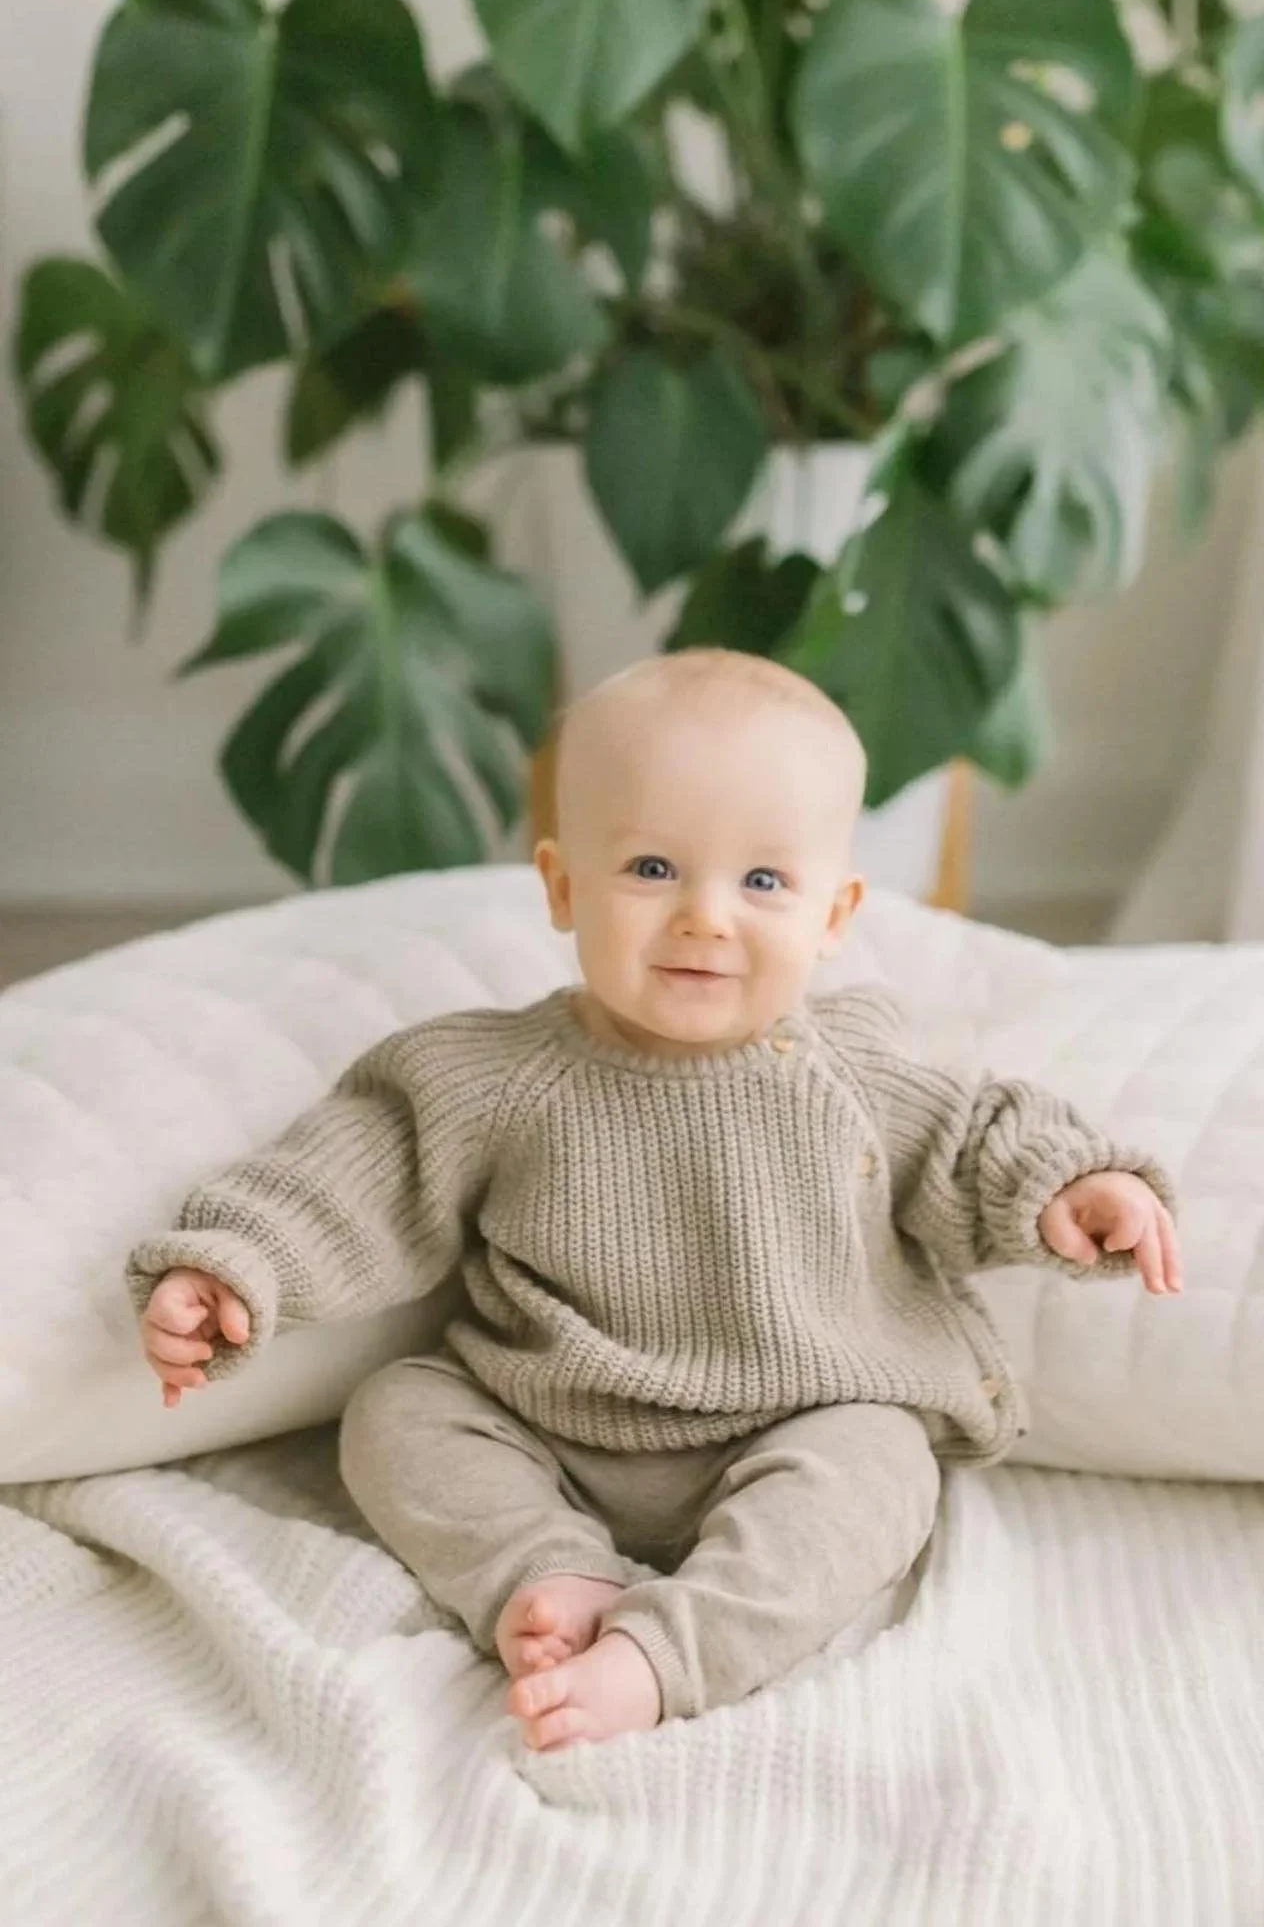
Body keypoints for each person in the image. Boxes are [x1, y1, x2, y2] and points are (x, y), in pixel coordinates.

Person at [127, 648, 1181, 1754]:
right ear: (562, 885)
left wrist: (1068, 1185)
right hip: (552, 1418)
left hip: (798, 1416)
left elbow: (971, 1136)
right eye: (650, 868)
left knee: (881, 1464)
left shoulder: (852, 1068)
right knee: (394, 1413)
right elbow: (349, 1173)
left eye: (763, 882)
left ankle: (669, 1650)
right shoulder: (488, 1075)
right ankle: (550, 1569)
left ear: (834, 915)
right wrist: (234, 1262)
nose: (705, 919)